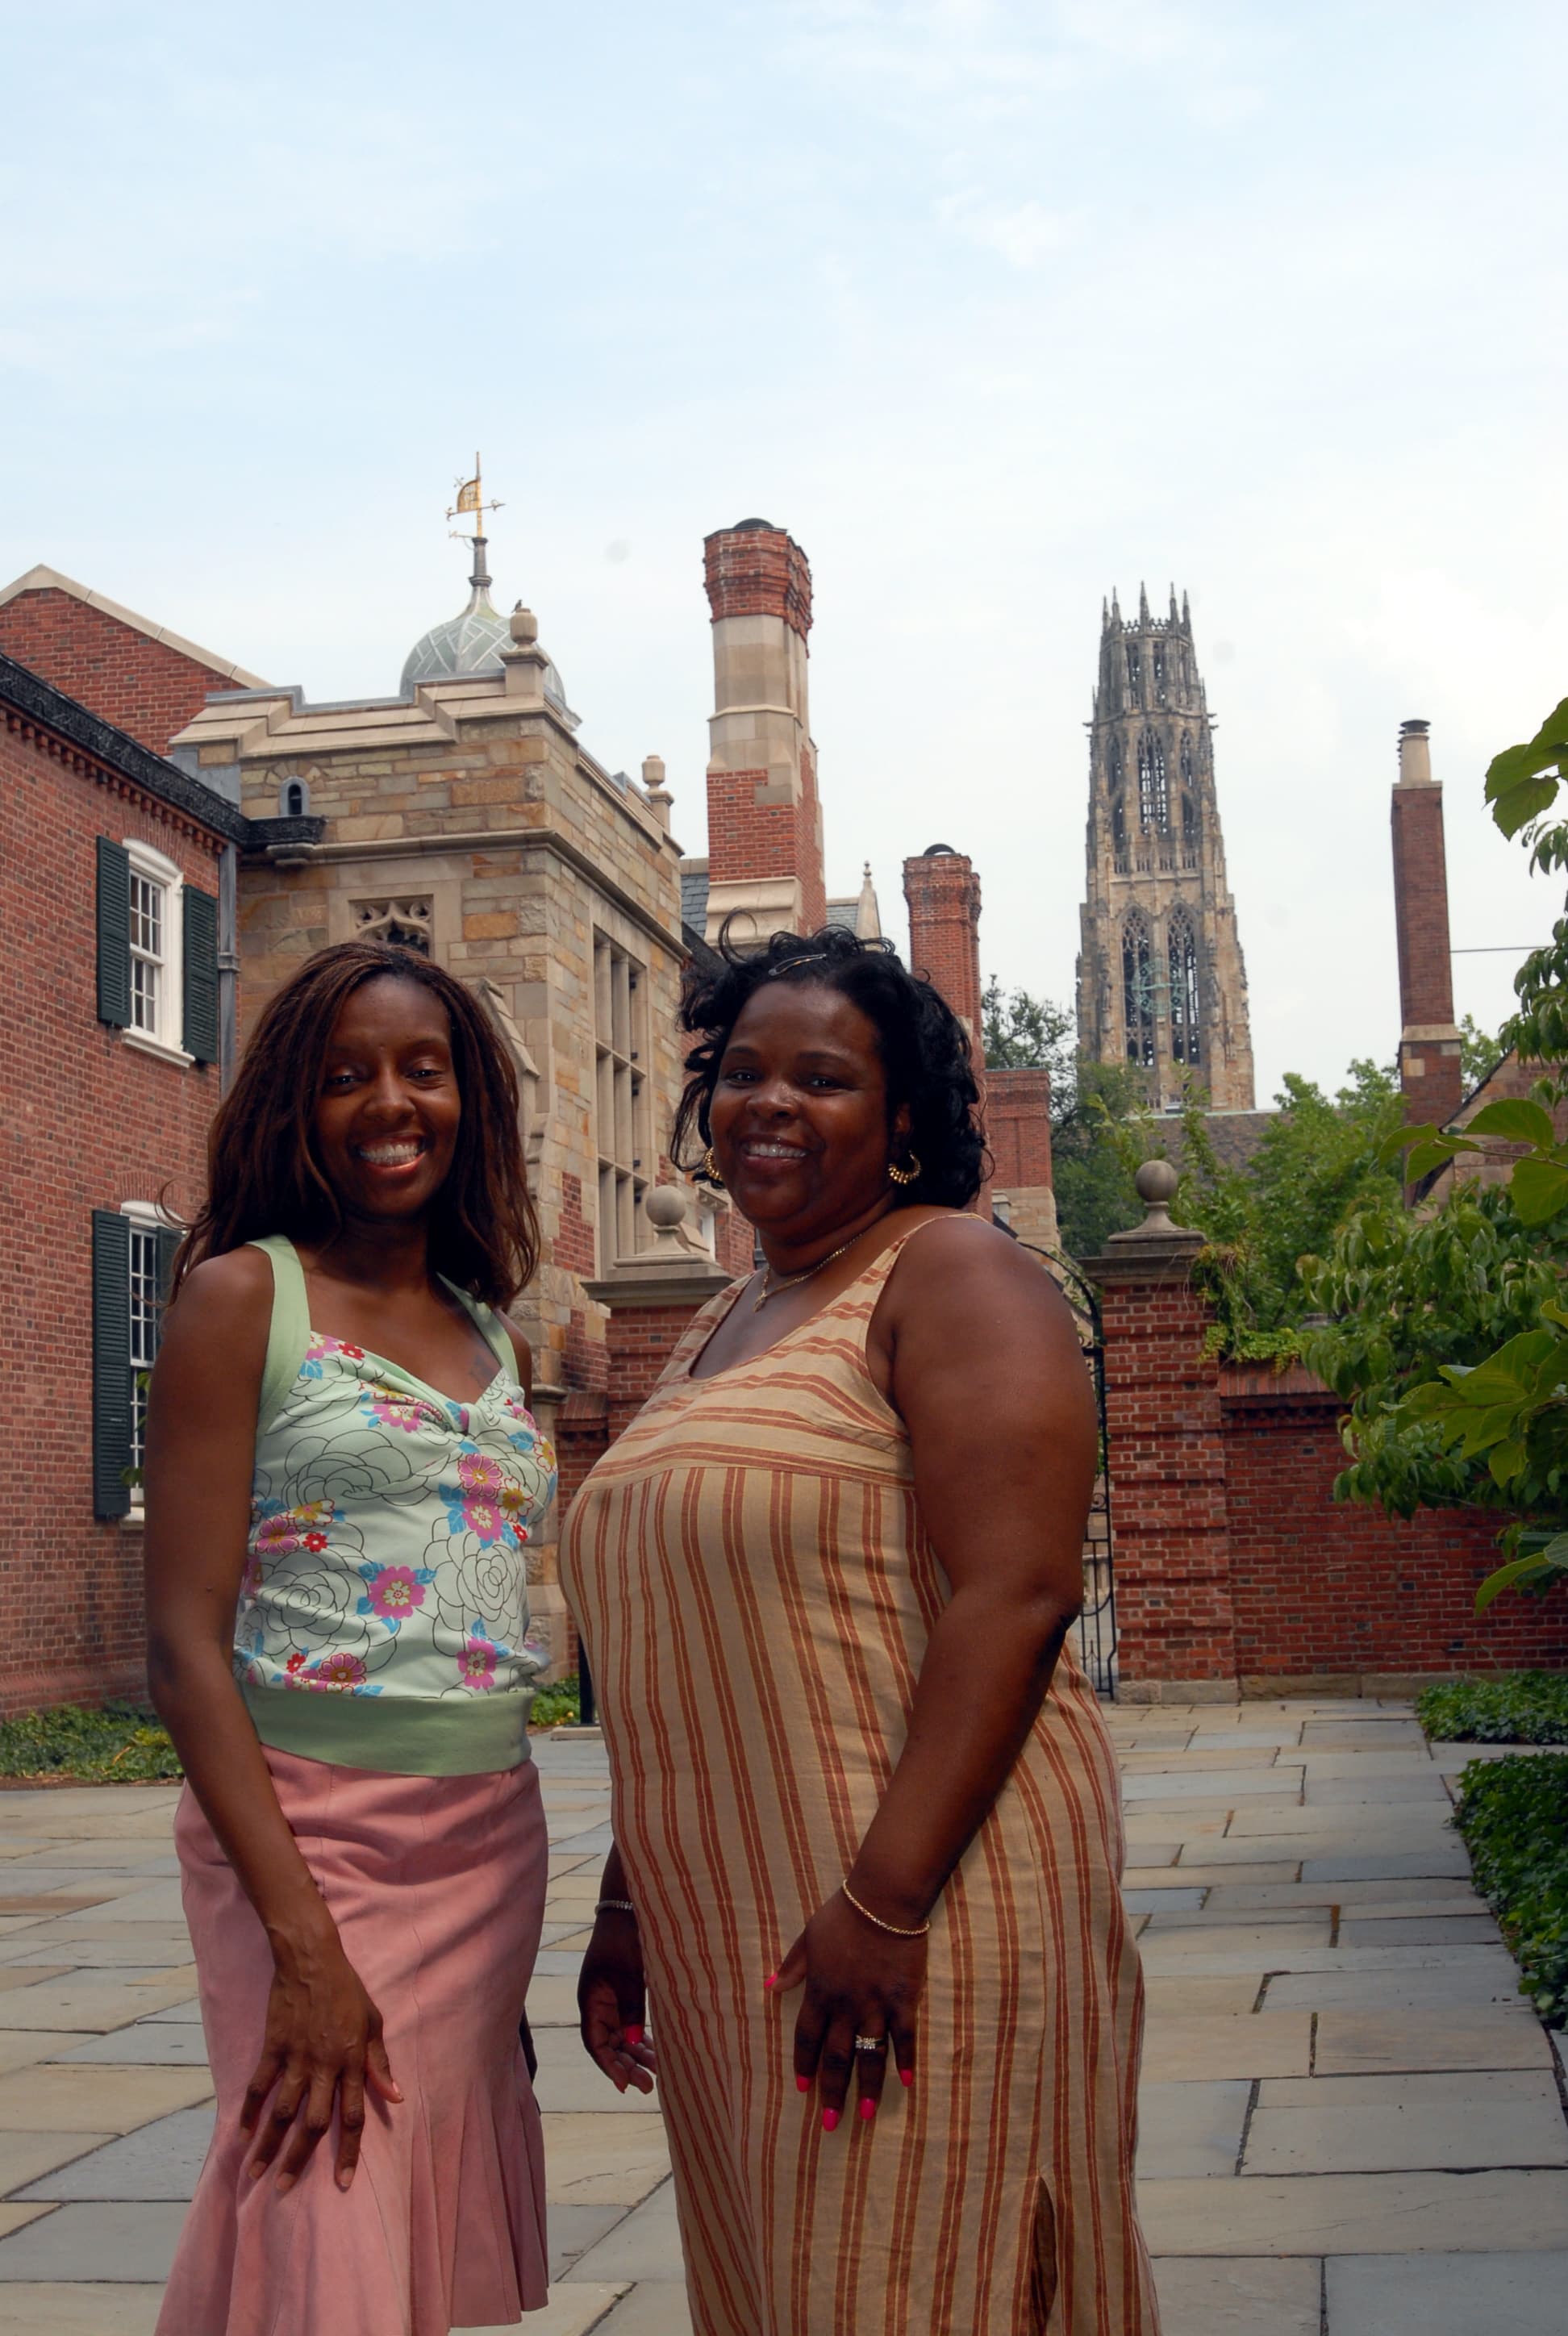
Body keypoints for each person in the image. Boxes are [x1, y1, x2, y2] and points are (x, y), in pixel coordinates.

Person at [561, 927, 1159, 2335]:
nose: (769, 1102)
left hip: (917, 1904)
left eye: (821, 1078)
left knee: (915, 2280)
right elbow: (694, 1647)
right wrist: (627, 1902)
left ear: (902, 1124)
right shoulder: (731, 1310)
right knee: (790, 2286)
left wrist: (884, 1904)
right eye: (743, 1072)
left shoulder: (952, 1275)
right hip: (739, 1930)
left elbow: (1019, 1597)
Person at [144, 940, 557, 2336]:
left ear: (470, 1100)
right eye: (347, 1077)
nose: (392, 1103)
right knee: (317, 2204)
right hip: (311, 1835)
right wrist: (304, 1942)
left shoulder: (486, 1324)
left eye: (423, 1070)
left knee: (395, 2235)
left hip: (489, 1838)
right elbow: (185, 1649)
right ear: (294, 1107)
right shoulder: (242, 1299)